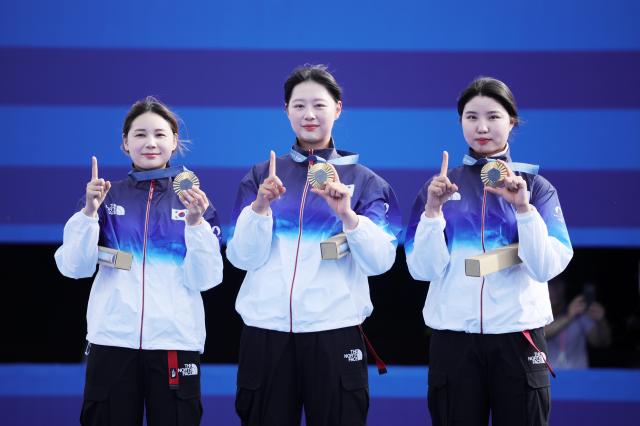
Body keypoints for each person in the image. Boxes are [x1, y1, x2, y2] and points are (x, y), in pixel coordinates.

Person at [226, 64, 402, 426]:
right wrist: (260, 207)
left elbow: (380, 262)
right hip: (266, 334)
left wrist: (348, 216)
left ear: (338, 108)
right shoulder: (262, 177)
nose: (309, 115)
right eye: (299, 105)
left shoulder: (366, 182)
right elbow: (242, 256)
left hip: (334, 333)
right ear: (286, 111)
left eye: (319, 105)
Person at [405, 77, 573, 426]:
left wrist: (524, 210)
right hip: (454, 341)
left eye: (493, 116)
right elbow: (422, 270)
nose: (482, 127)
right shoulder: (438, 187)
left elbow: (545, 268)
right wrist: (433, 213)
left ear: (512, 121)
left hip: (519, 337)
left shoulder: (537, 187)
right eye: (471, 117)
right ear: (460, 122)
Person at [54, 96, 223, 426]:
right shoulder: (105, 196)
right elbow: (73, 267)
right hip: (112, 341)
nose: (150, 142)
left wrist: (195, 224)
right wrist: (88, 212)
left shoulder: (194, 202)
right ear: (125, 144)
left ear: (174, 142)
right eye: (140, 134)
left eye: (160, 134)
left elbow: (207, 279)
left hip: (175, 342)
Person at [546, 279, 612, 368]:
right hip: (549, 379)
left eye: (557, 284)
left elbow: (601, 342)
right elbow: (542, 335)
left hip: (579, 378)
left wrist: (601, 321)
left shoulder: (579, 314)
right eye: (549, 284)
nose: (554, 289)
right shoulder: (538, 317)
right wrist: (568, 317)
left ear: (564, 286)